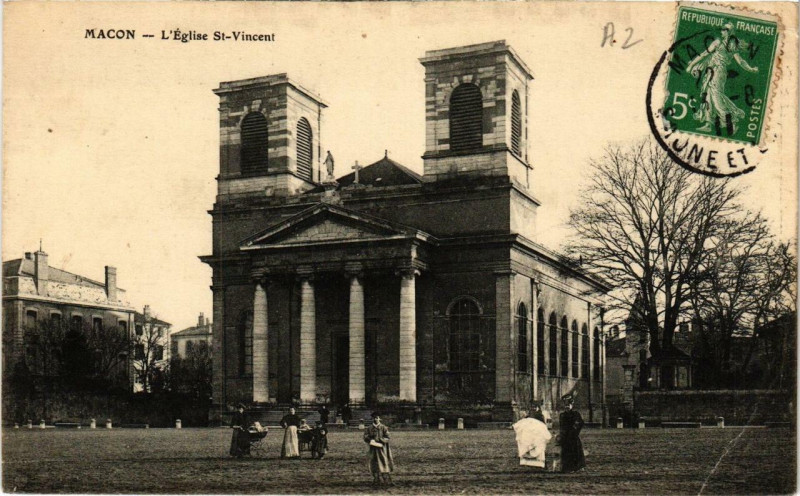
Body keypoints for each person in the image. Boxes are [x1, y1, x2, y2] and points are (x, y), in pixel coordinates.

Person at [685, 22, 758, 134]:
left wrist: (751, 69)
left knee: (716, 98)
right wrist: (692, 65)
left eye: (724, 29)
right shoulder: (725, 44)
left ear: (729, 31)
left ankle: (731, 123)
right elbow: (705, 54)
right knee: (708, 96)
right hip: (711, 71)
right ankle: (708, 123)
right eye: (722, 29)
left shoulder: (727, 44)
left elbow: (740, 61)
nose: (722, 31)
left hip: (718, 72)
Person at [364, 412, 394, 485]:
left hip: (382, 449)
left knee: (384, 461)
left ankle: (386, 479)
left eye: (377, 418)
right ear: (372, 419)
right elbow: (365, 436)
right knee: (373, 462)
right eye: (374, 418)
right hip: (373, 449)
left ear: (379, 419)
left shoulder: (383, 427)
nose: (376, 419)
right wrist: (370, 439)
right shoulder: (369, 428)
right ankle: (376, 479)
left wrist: (380, 440)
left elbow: (388, 437)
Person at [558, 394, 585, 473]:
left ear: (572, 405)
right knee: (566, 452)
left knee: (575, 451)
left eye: (568, 405)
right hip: (565, 437)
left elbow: (579, 423)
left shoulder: (576, 414)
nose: (567, 407)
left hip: (573, 436)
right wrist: (562, 434)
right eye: (565, 405)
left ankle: (578, 467)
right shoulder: (562, 415)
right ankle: (567, 467)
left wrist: (574, 431)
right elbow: (561, 426)